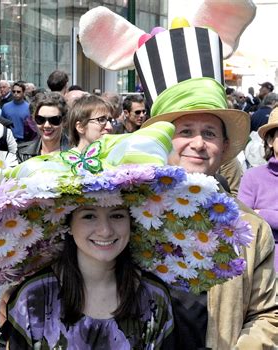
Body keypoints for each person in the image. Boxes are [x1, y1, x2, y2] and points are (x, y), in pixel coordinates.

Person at [79, 4, 277, 348]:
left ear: (225, 145)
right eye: (184, 131)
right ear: (161, 139)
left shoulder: (249, 230)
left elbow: (267, 313)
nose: (198, 144)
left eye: (210, 134)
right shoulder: (119, 213)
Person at [0, 122, 254, 349]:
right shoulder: (33, 297)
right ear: (67, 224)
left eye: (117, 215)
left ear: (132, 222)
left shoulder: (153, 298)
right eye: (89, 216)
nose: (105, 230)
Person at [239, 107, 278, 270]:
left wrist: (263, 214)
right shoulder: (253, 177)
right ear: (270, 140)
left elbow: (254, 216)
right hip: (264, 268)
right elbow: (243, 220)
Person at [16, 92, 69, 162]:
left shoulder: (77, 154)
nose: (47, 125)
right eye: (40, 119)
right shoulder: (23, 153)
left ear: (64, 121)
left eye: (54, 120)